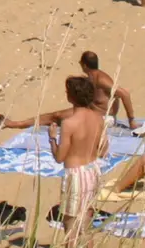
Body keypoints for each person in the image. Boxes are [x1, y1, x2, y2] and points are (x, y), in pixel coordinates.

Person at [48, 76, 109, 247]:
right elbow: (104, 149)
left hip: (75, 175)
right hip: (92, 171)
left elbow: (59, 157)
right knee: (86, 221)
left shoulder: (69, 123)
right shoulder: (98, 119)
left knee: (70, 223)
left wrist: (52, 139)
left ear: (71, 97)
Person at [78, 51, 135, 126]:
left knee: (62, 117)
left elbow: (125, 94)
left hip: (105, 118)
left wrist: (131, 121)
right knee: (58, 115)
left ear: (84, 65)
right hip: (93, 115)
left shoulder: (101, 80)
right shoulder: (90, 79)